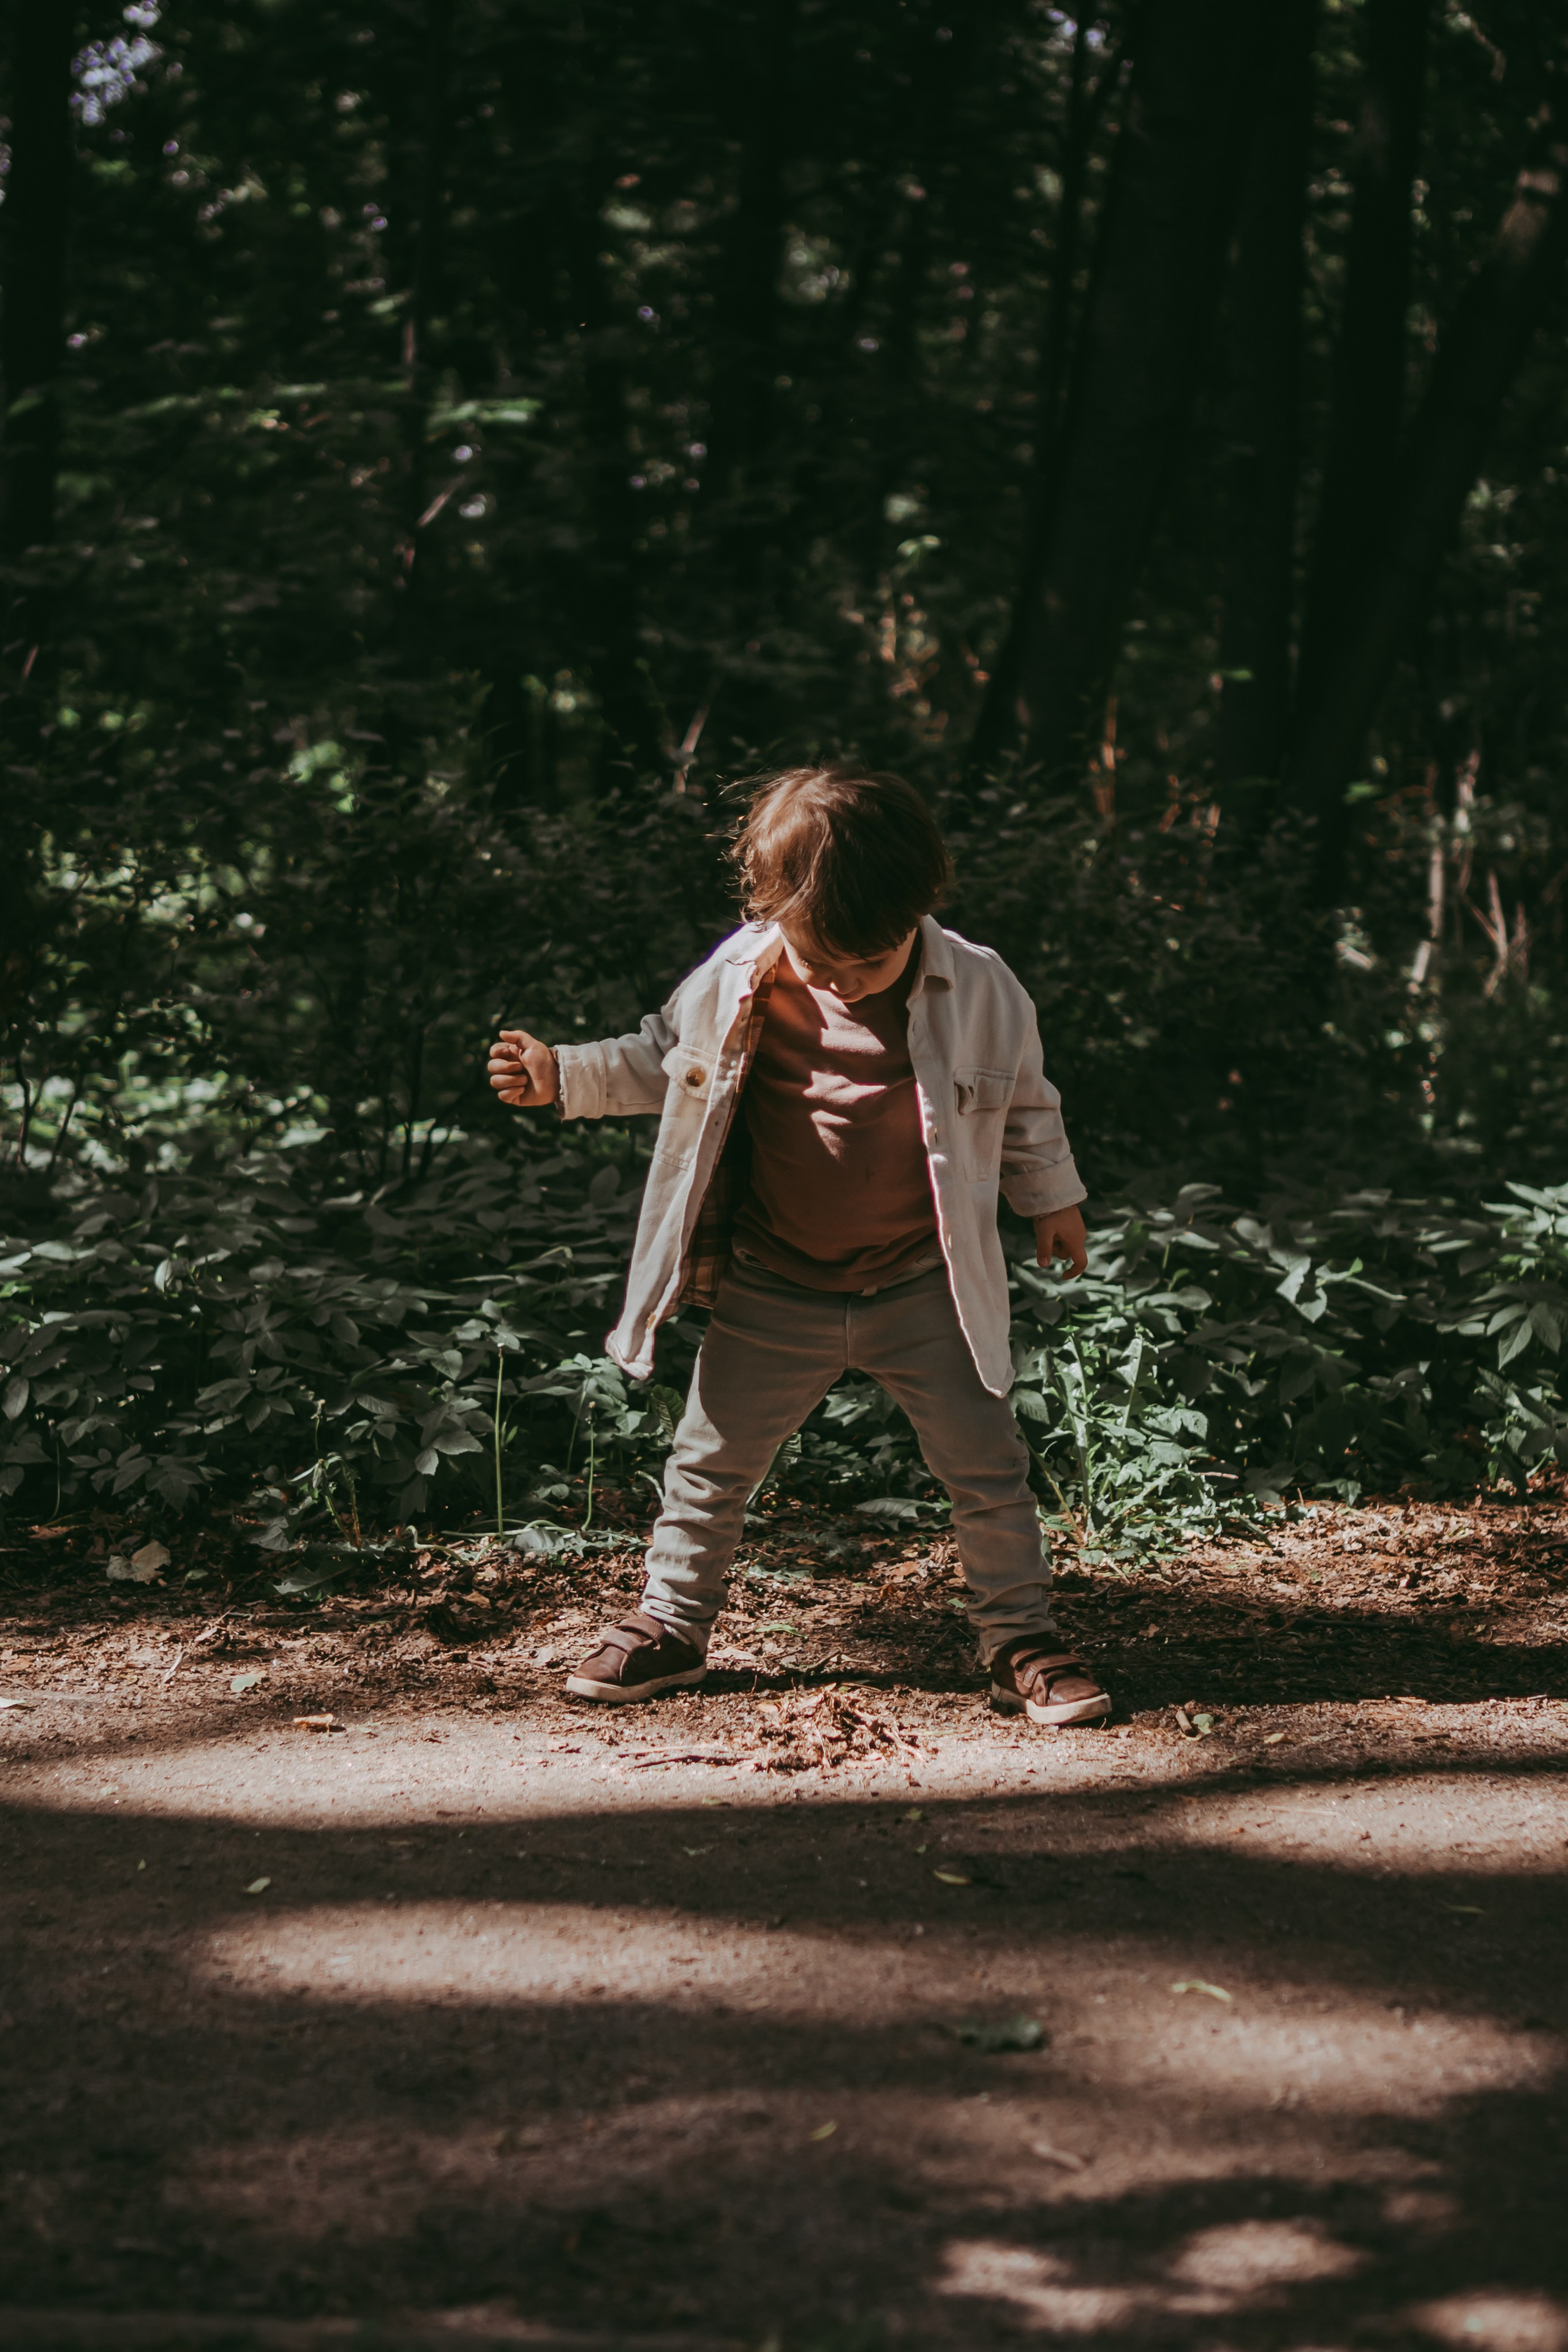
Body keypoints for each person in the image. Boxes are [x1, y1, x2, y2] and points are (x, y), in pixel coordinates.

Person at [486, 764, 1110, 1729]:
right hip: (776, 1284)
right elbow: (662, 1056)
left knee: (988, 1467)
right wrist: (562, 1075)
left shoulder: (981, 986)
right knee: (709, 1462)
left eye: (869, 959)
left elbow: (1024, 1099)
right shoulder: (742, 976)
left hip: (924, 1285)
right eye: (823, 956)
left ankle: (1019, 1638)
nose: (841, 977)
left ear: (918, 907)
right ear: (771, 906)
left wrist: (1053, 1199)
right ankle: (672, 1624)